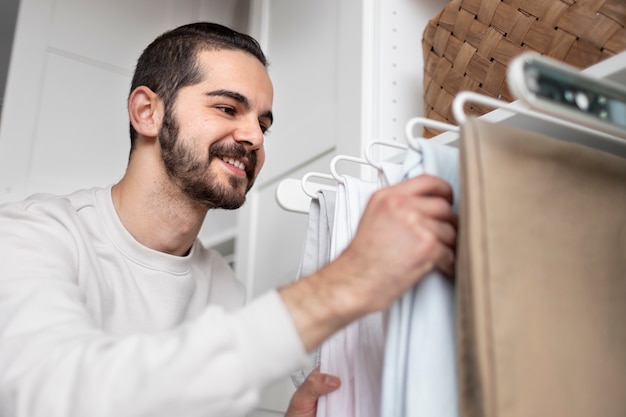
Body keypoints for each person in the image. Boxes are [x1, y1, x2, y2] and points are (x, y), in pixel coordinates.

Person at [0, 22, 456, 417]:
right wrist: (343, 284)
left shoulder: (222, 287)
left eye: (264, 122)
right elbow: (54, 396)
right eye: (227, 108)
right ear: (147, 112)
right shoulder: (31, 236)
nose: (254, 136)